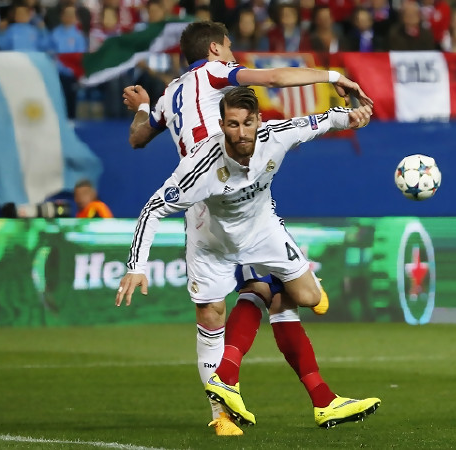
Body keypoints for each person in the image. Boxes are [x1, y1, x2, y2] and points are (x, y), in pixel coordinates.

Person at [121, 19, 373, 435]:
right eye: (229, 46)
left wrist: (144, 107)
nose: (233, 53)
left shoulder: (169, 96)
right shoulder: (217, 72)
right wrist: (333, 77)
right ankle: (238, 407)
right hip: (208, 189)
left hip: (230, 200)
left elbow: (138, 138)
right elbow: (275, 77)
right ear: (215, 49)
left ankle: (240, 399)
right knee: (248, 298)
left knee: (269, 300)